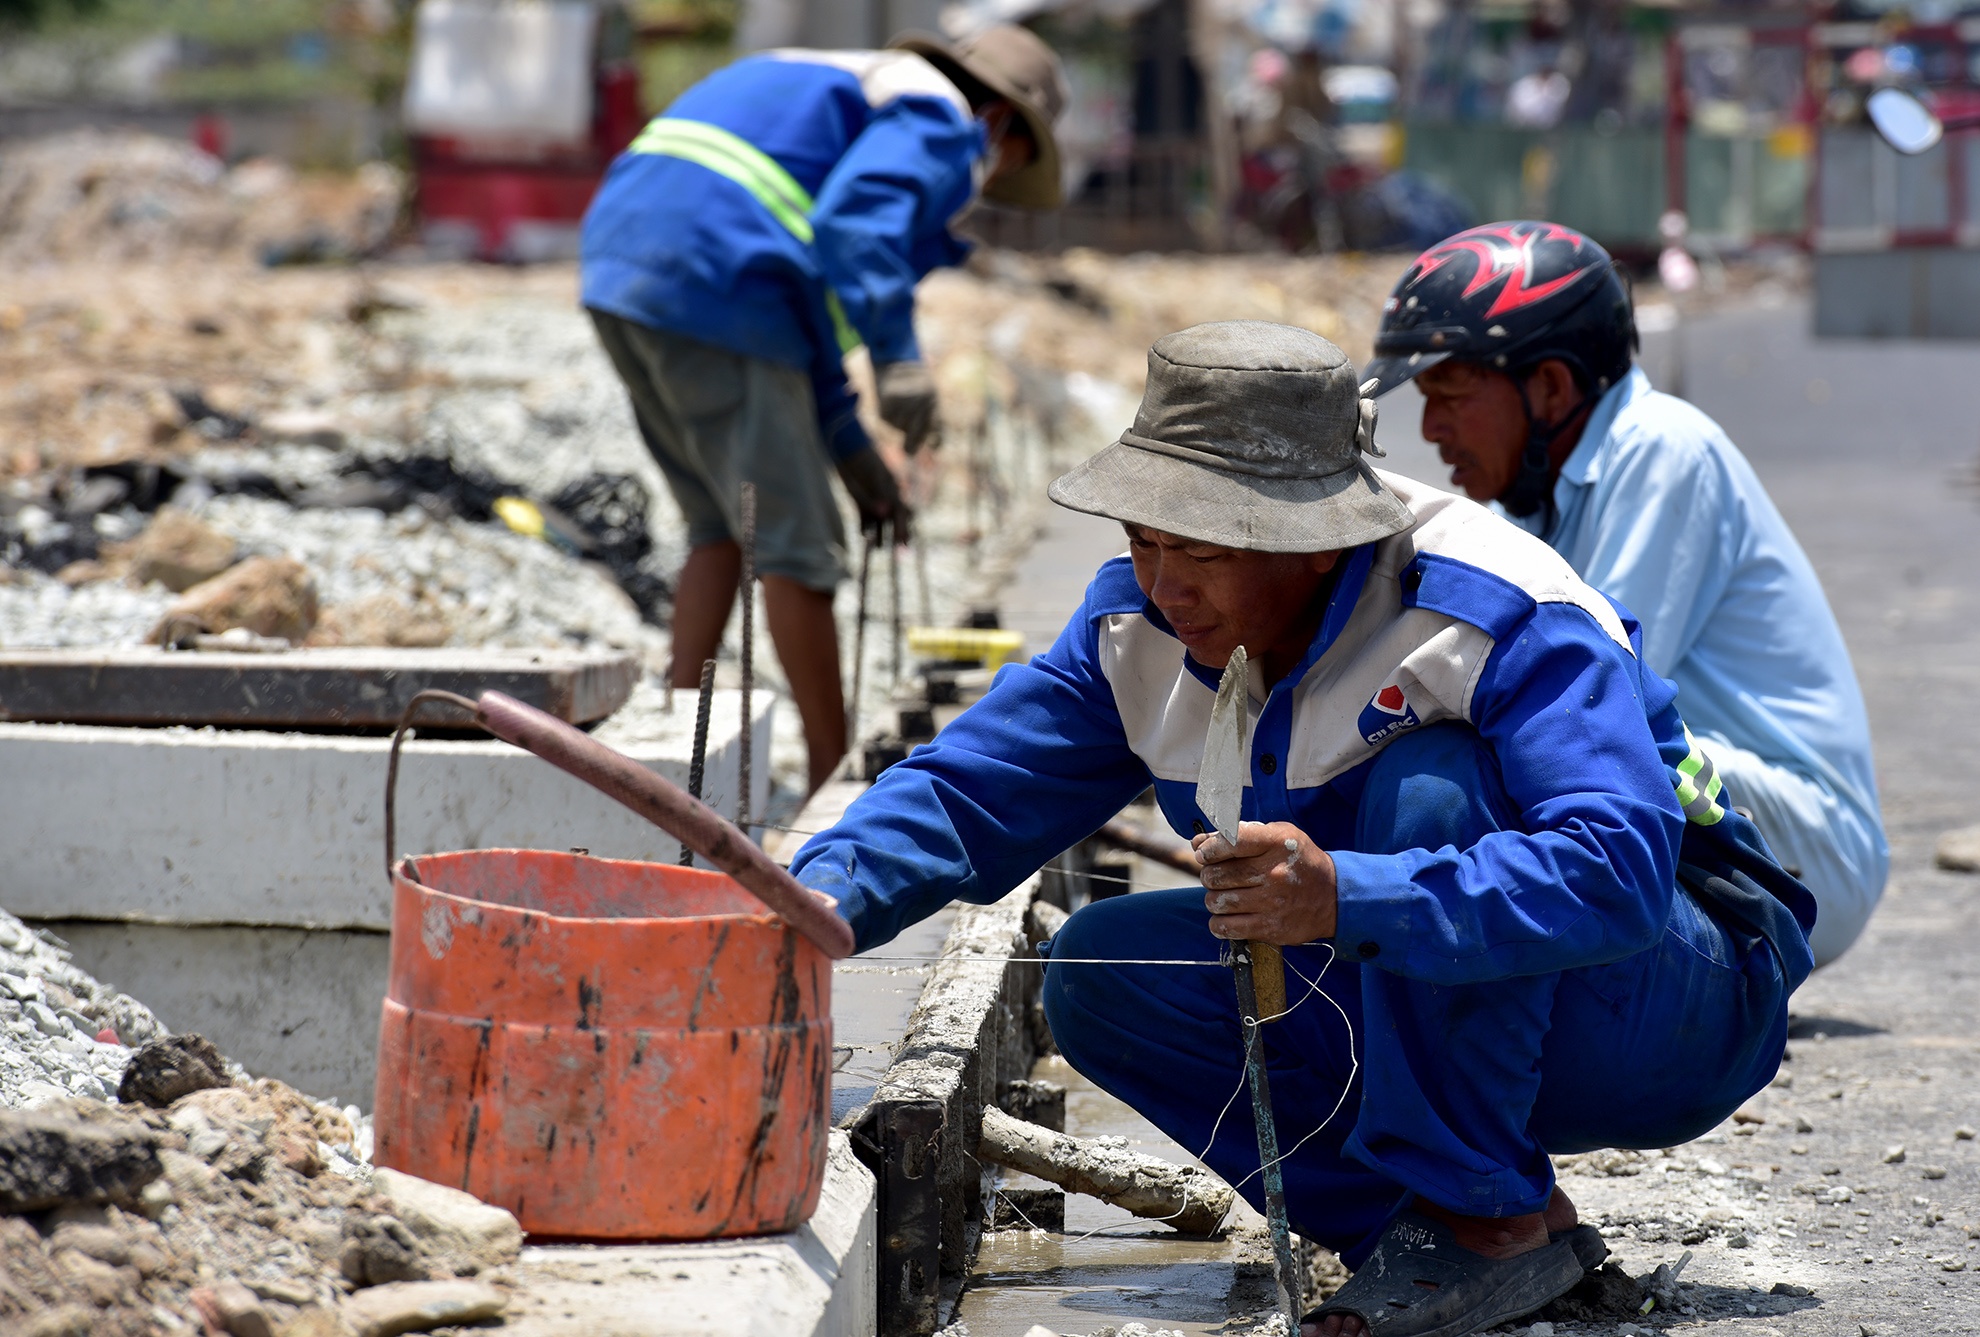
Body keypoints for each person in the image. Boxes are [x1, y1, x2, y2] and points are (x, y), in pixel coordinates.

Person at [792, 322, 1815, 1337]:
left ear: (1316, 539)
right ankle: (1421, 1229)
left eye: (1198, 547)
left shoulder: (1490, 607)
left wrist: (1342, 895)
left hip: (1667, 1003)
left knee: (1433, 784)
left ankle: (1480, 1216)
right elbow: (972, 786)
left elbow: (1616, 872)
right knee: (1102, 968)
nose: (1164, 583)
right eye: (1143, 540)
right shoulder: (1141, 632)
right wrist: (809, 899)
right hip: (1434, 996)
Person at [1363, 220, 1887, 967]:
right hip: (1724, 803)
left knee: (1496, 750)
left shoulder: (1664, 449)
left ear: (1548, 385)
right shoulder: (1532, 497)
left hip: (1804, 846)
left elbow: (1593, 701)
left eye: (1449, 391)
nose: (1430, 426)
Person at [580, 26, 1069, 793]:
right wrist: (899, 361)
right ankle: (833, 782)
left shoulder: (836, 82)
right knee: (799, 548)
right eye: (1000, 169)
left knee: (721, 525)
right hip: (720, 274)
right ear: (1001, 122)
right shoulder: (936, 113)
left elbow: (801, 298)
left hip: (624, 268)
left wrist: (846, 439)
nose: (979, 189)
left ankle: (670, 760)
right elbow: (854, 228)